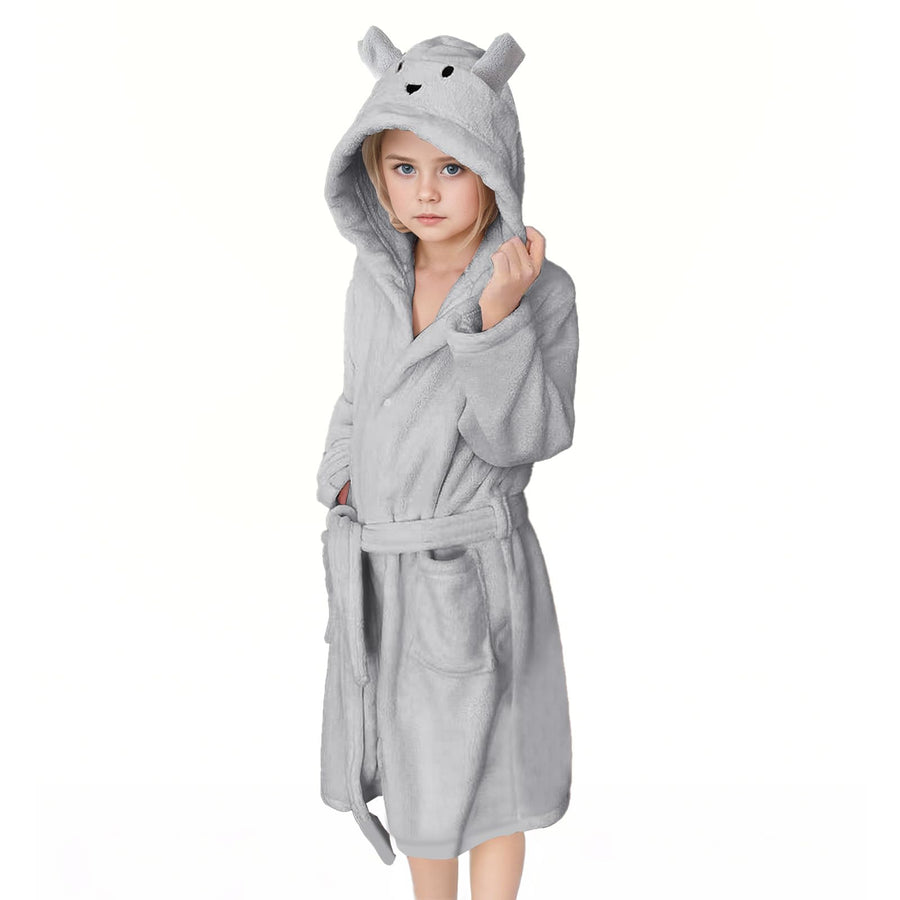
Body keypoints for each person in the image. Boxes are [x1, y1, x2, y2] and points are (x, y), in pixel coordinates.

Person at [316, 27, 579, 900]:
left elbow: (526, 437)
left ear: (495, 169)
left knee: (492, 774)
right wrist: (342, 477)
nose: (426, 191)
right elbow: (357, 395)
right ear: (374, 173)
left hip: (471, 570)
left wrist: (498, 321)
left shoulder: (541, 291)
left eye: (452, 167)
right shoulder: (373, 283)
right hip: (383, 565)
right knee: (414, 770)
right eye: (404, 167)